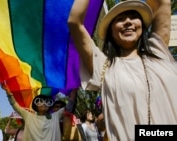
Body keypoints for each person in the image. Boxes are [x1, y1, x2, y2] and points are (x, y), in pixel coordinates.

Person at [68, 0, 177, 140]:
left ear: (142, 26)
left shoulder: (159, 51)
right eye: (120, 19)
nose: (128, 22)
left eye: (133, 16)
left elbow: (162, 3)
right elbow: (75, 22)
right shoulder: (104, 66)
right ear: (110, 32)